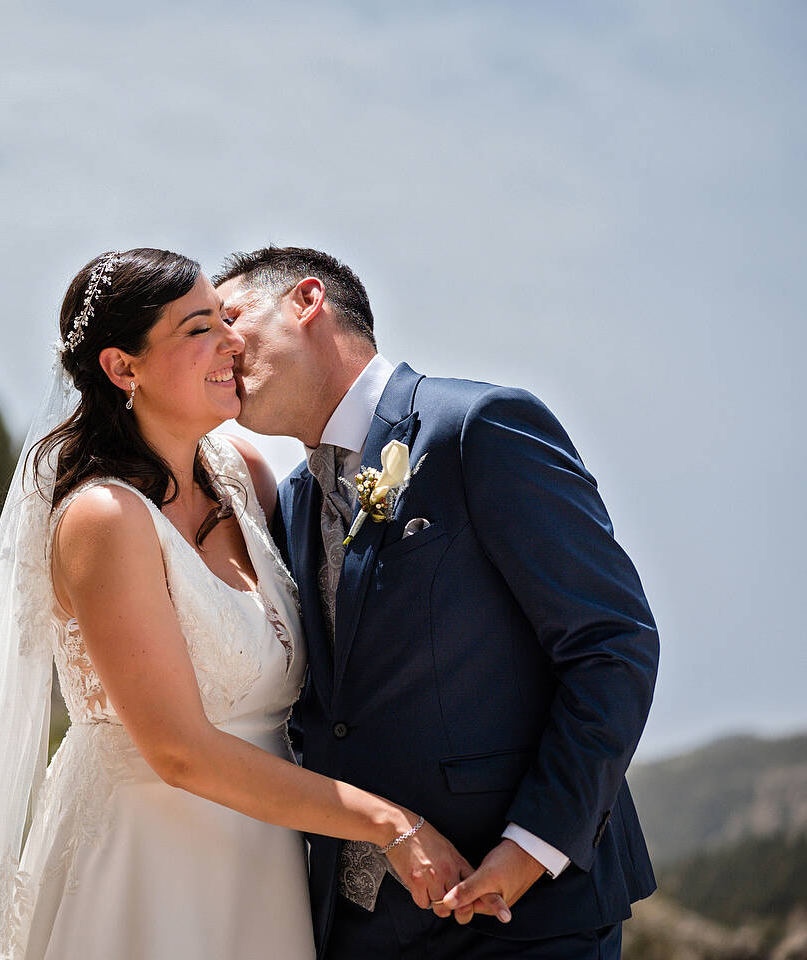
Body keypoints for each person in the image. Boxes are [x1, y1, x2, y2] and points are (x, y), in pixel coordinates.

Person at [0, 248, 507, 959]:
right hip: (149, 868)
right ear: (123, 368)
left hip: (266, 866)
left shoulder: (246, 475)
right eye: (200, 327)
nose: (231, 342)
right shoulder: (103, 519)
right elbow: (178, 751)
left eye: (227, 321)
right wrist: (391, 824)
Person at [214, 245, 659, 959]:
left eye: (230, 316)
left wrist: (526, 851)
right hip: (354, 928)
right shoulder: (293, 500)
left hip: (523, 918)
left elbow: (612, 644)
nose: (220, 346)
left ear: (306, 300)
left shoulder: (477, 425)